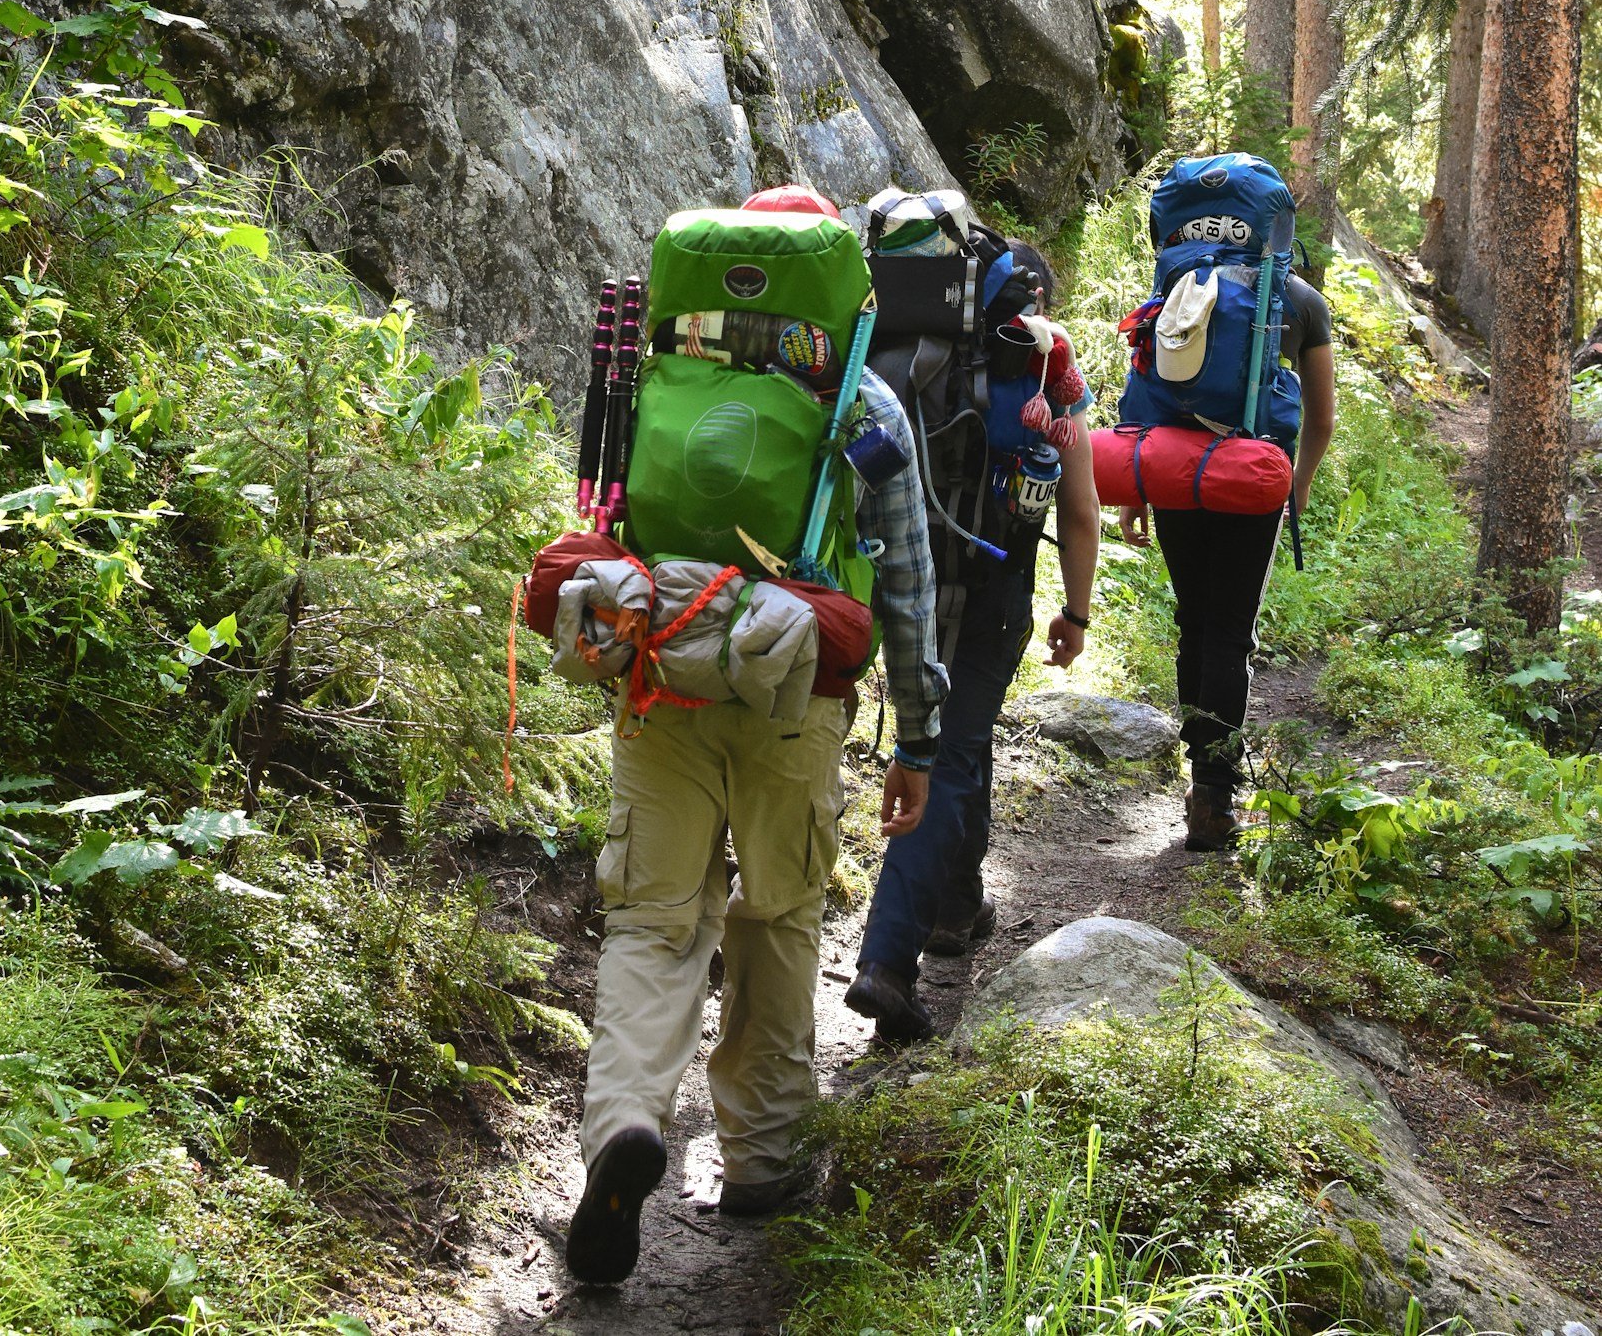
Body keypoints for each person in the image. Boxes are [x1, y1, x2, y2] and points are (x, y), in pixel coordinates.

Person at [566, 185, 947, 1286]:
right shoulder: (859, 394)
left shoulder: (657, 372)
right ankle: (763, 1159)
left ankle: (625, 1124)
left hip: (662, 677)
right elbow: (909, 581)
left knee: (650, 922)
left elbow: (609, 517)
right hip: (795, 695)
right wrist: (915, 737)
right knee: (774, 914)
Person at [846, 238, 1100, 1042]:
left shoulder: (874, 341)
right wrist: (1078, 610)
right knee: (949, 753)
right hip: (994, 579)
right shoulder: (1042, 358)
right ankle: (887, 962)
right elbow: (1081, 502)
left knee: (960, 740)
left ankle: (956, 905)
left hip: (891, 572)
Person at [1116, 261, 1336, 850]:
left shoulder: (1181, 281)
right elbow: (1323, 415)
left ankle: (1199, 769)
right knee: (1231, 628)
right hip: (1253, 475)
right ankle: (1214, 792)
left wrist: (1138, 487)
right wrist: (1300, 482)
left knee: (1195, 619)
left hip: (1176, 468)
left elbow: (1147, 385)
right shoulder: (1303, 300)